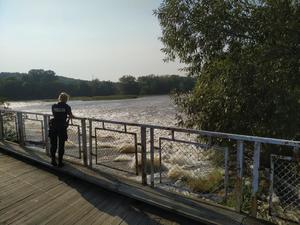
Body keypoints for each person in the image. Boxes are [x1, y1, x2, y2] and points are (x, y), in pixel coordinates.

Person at [49, 92, 74, 167]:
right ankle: (60, 162)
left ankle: (53, 161)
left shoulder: (53, 106)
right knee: (61, 145)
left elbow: (54, 114)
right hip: (62, 127)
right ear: (66, 99)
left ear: (59, 98)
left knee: (53, 145)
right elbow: (71, 115)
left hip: (53, 126)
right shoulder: (67, 107)